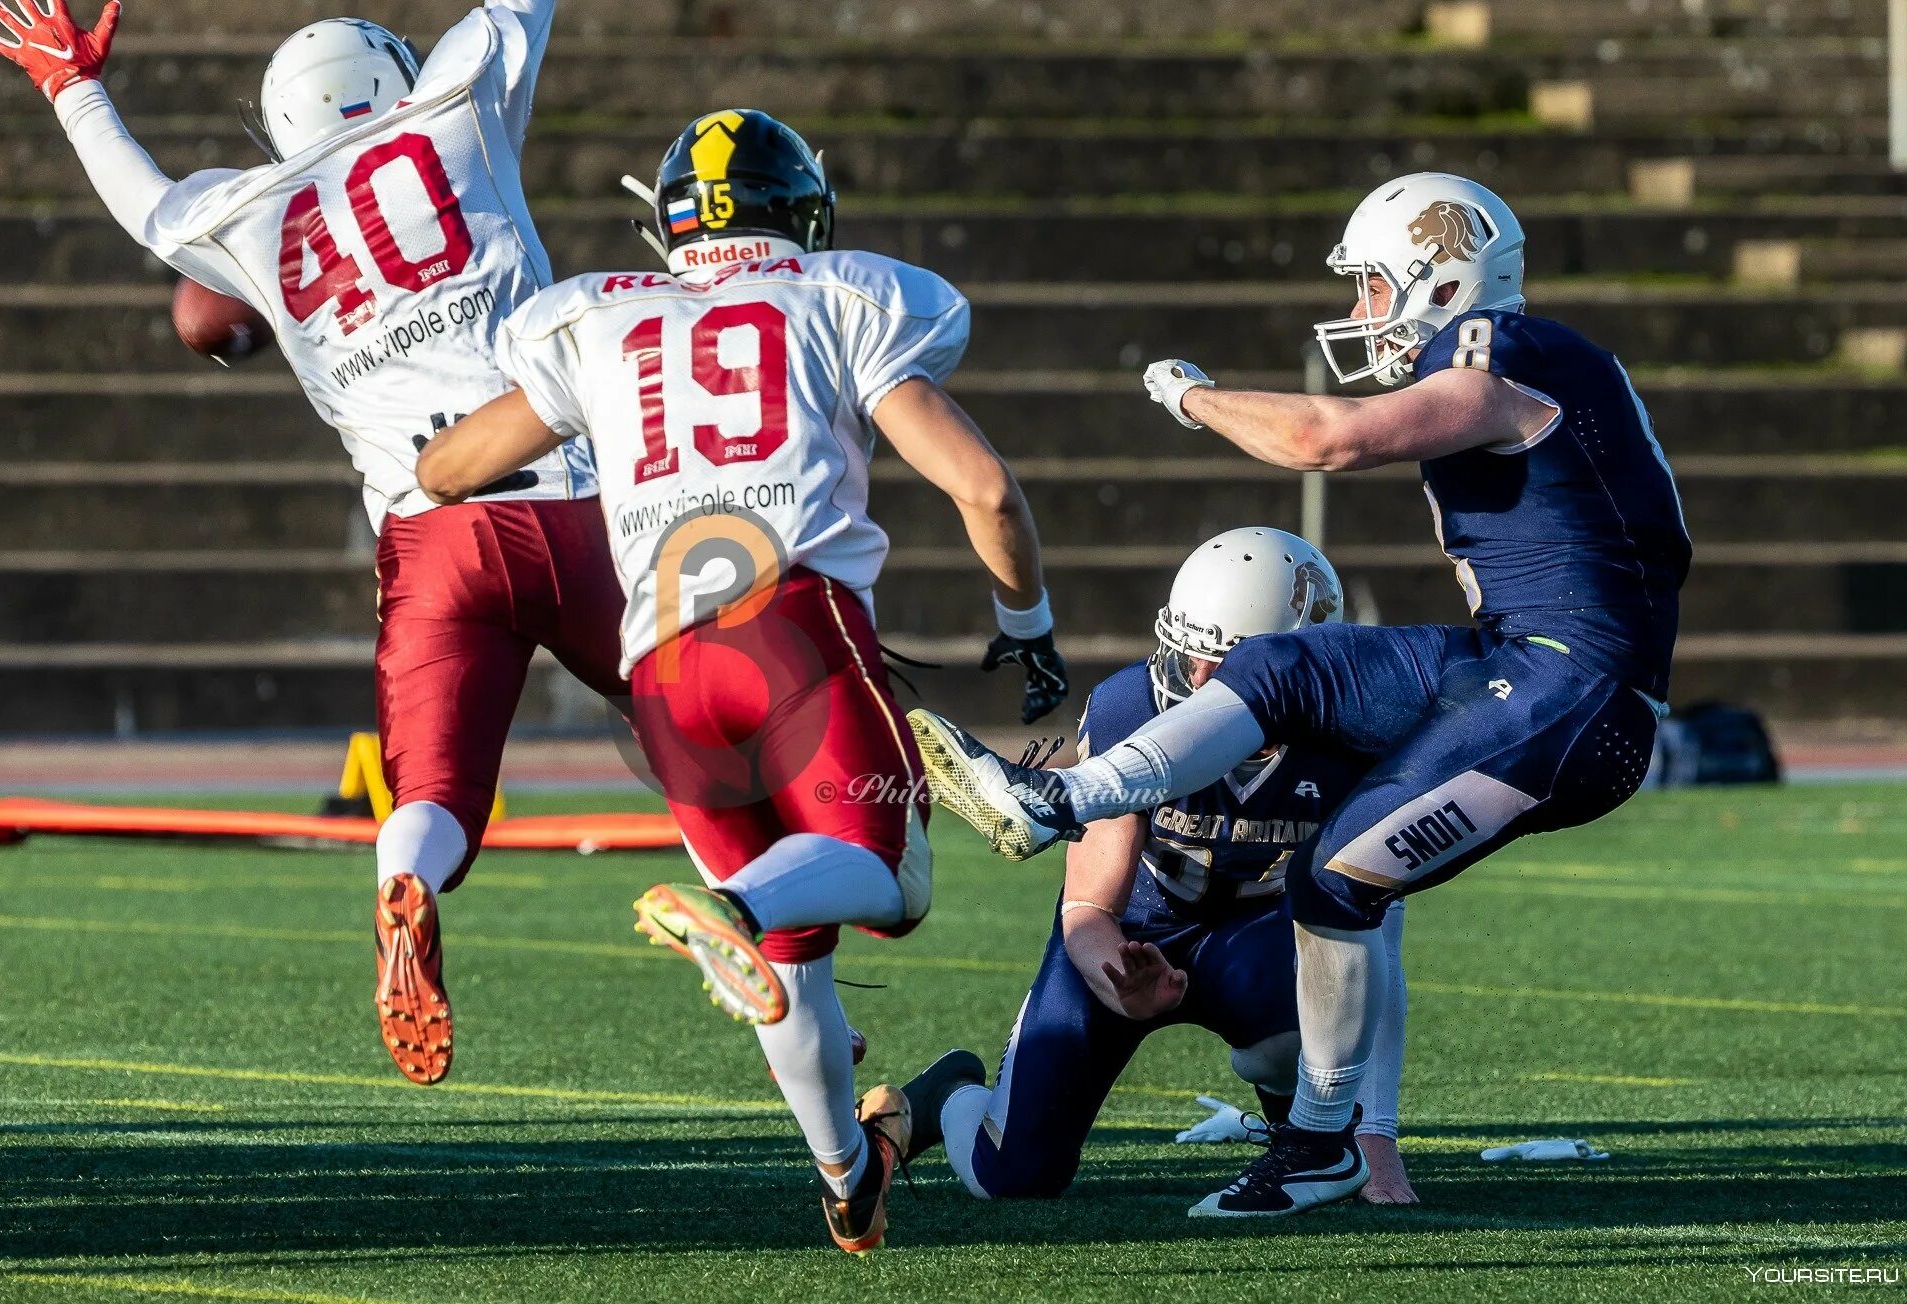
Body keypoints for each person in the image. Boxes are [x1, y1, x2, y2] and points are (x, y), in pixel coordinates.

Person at [908, 171, 1690, 1216]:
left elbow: (1330, 438)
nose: (1362, 310)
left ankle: (1320, 1141)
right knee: (1276, 667)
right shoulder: (1514, 361)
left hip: (1577, 687)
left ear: (1438, 273)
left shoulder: (1501, 349)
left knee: (1339, 874)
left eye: (1374, 285)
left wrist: (1189, 395)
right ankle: (1059, 799)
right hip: (1513, 649)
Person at [412, 109, 1068, 1252]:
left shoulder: (602, 320)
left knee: (791, 965)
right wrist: (1028, 619)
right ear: (802, 214)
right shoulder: (839, 297)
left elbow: (446, 467)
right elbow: (984, 487)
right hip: (791, 633)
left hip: (662, 669)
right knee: (889, 882)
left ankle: (845, 1175)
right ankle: (740, 906)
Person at [0, 0, 624, 1089]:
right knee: (692, 709)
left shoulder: (247, 208)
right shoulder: (455, 103)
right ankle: (768, 903)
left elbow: (145, 207)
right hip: (567, 495)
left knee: (430, 795)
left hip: (426, 536)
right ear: (387, 74)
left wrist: (71, 87)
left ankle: (406, 884)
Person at [893, 530, 1414, 1206]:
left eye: (1228, 665)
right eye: (1190, 654)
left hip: (1263, 936)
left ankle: (1307, 1136)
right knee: (1013, 1177)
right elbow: (1088, 907)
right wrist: (1117, 978)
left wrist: (1379, 1136)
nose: (1199, 683)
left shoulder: (1361, 729)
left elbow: (1377, 937)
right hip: (1138, 922)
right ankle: (947, 1099)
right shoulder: (1130, 707)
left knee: (1314, 995)